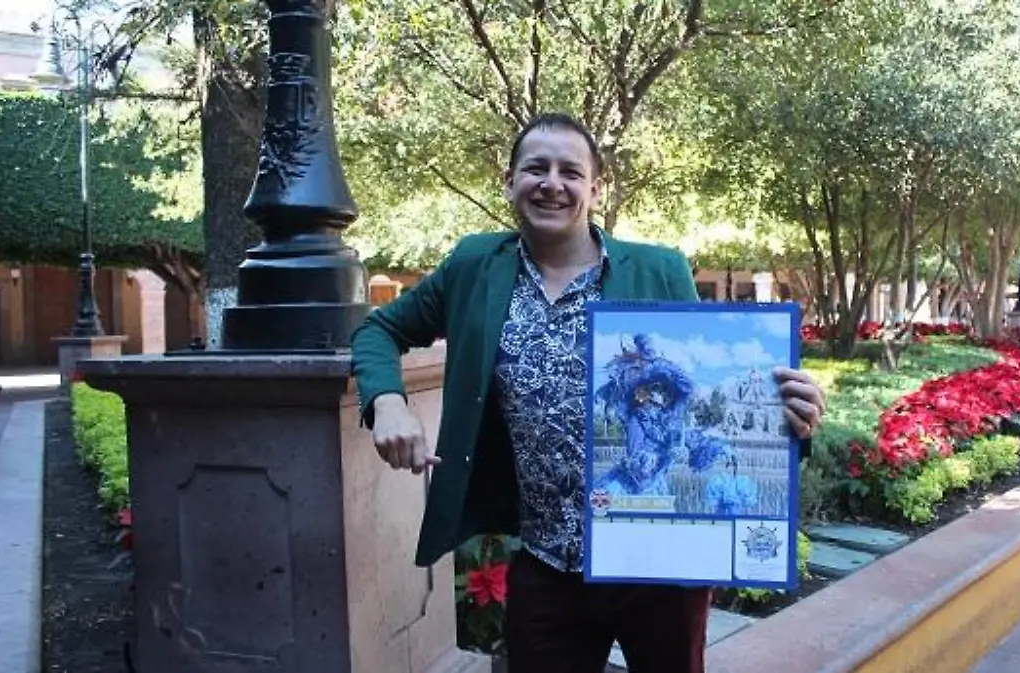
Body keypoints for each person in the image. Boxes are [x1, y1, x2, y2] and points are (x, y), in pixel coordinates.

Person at [350, 112, 827, 673]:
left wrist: (788, 413)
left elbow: (700, 391)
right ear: (509, 182)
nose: (552, 183)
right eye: (536, 168)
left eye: (570, 172)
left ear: (595, 189)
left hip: (659, 559)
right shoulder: (475, 268)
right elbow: (379, 330)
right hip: (548, 562)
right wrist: (387, 402)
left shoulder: (658, 270)